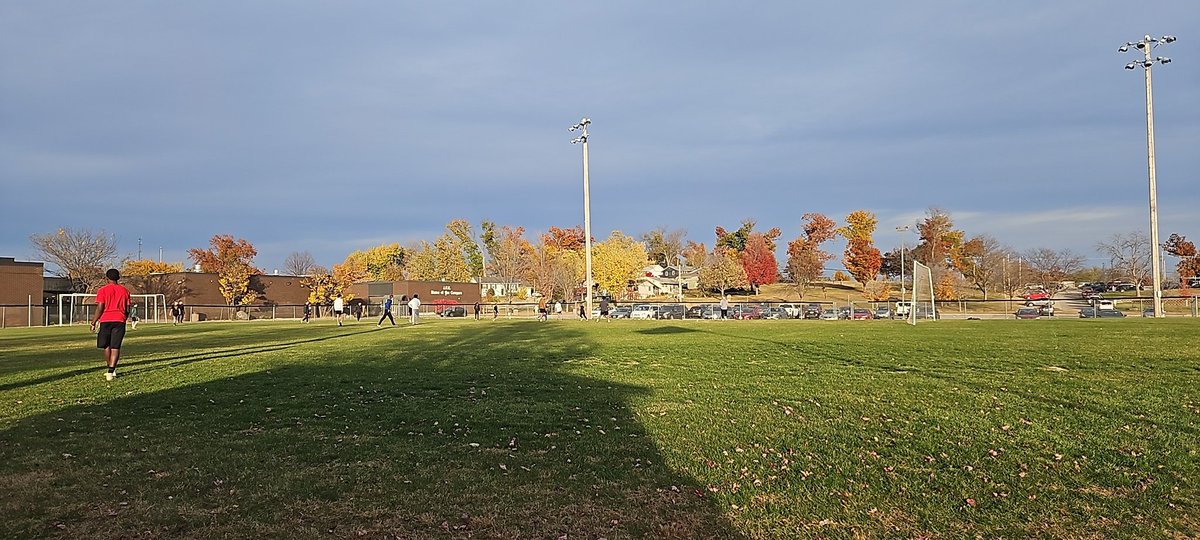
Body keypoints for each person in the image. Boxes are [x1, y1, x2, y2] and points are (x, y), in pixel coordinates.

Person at [90, 268, 131, 381]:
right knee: (115, 346)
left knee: (106, 345)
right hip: (119, 320)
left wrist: (94, 321)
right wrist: (124, 317)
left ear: (106, 278)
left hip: (106, 320)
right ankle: (111, 370)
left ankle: (110, 369)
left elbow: (100, 307)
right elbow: (128, 308)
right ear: (118, 278)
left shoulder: (102, 290)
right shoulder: (125, 291)